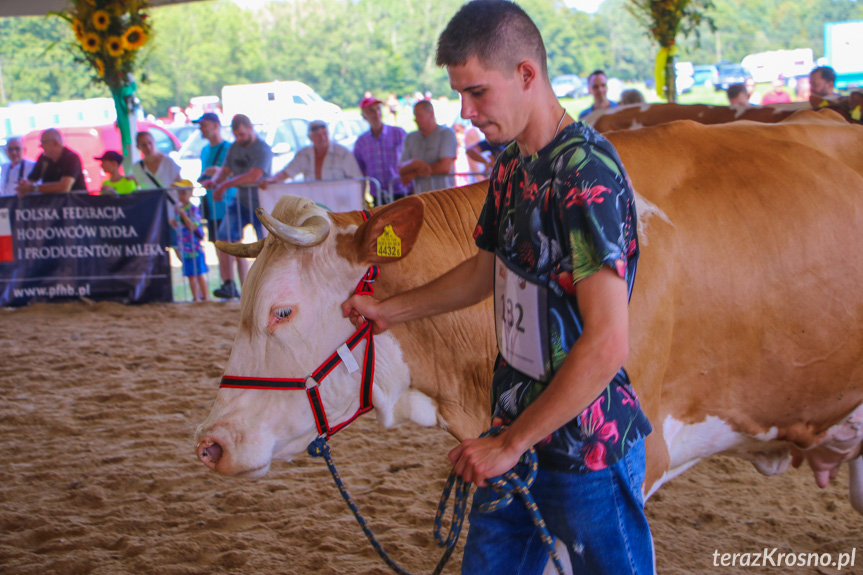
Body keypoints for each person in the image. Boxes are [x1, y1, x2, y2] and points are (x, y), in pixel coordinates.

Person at [342, 1, 653, 573]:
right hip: (512, 428)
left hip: (585, 446)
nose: (465, 111)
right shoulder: (513, 164)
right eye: (460, 93)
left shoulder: (586, 173)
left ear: (526, 75)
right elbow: (490, 267)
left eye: (477, 92)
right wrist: (393, 310)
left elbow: (608, 343)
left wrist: (510, 445)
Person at [200, 114, 272, 299]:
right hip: (240, 201)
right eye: (236, 135)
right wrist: (214, 182)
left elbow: (254, 176)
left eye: (241, 134)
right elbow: (225, 171)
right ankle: (229, 284)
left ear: (250, 129)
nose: (239, 138)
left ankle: (268, 286)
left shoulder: (262, 148)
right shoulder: (234, 148)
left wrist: (224, 185)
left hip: (262, 204)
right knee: (223, 239)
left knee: (267, 246)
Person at [194, 112, 242, 300]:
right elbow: (204, 175)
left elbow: (238, 173)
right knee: (219, 247)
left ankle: (244, 286)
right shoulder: (205, 151)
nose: (201, 129)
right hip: (212, 204)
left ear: (215, 125)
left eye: (203, 125)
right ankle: (227, 286)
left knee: (236, 247)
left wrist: (220, 172)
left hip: (229, 203)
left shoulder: (230, 148)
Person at [260, 120, 361, 186]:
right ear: (310, 137)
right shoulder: (304, 154)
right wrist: (272, 180)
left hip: (340, 202)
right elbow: (288, 171)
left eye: (324, 133)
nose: (322, 138)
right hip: (316, 203)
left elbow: (358, 179)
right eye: (317, 135)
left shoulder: (342, 153)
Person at [352, 97, 408, 204]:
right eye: (371, 111)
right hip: (378, 195)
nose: (376, 113)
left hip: (401, 191)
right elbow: (361, 172)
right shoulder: (361, 142)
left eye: (378, 109)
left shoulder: (398, 133)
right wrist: (361, 197)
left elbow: (411, 158)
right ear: (364, 116)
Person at [398, 100, 458, 194]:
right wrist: (413, 163)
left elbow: (445, 167)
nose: (416, 119)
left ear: (431, 114)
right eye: (415, 115)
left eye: (419, 115)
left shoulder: (446, 134)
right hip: (421, 197)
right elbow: (400, 168)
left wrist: (414, 174)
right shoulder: (410, 138)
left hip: (444, 196)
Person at [16, 128, 86, 195]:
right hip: (51, 204)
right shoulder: (43, 158)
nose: (41, 146)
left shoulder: (71, 158)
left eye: (43, 143)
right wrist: (23, 187)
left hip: (73, 204)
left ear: (55, 143)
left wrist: (34, 188)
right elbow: (31, 180)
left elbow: (65, 187)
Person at [171, 184, 208, 302]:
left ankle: (206, 297)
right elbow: (179, 227)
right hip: (184, 248)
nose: (180, 196)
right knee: (190, 275)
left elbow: (192, 227)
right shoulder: (178, 209)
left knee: (199, 274)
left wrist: (183, 215)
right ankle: (196, 297)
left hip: (195, 248)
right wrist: (173, 222)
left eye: (183, 193)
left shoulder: (193, 209)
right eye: (179, 193)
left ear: (190, 193)